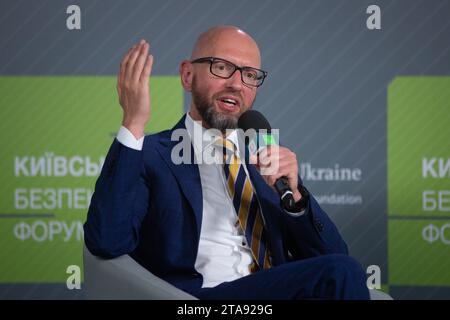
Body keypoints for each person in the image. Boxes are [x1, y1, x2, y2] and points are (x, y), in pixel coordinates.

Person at [84, 25, 370, 300]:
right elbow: (107, 241)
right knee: (341, 272)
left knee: (343, 272)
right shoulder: (149, 154)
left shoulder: (264, 159)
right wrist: (133, 122)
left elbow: (336, 261)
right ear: (187, 76)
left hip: (272, 294)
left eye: (249, 74)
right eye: (221, 67)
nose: (236, 84)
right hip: (198, 299)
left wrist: (295, 199)